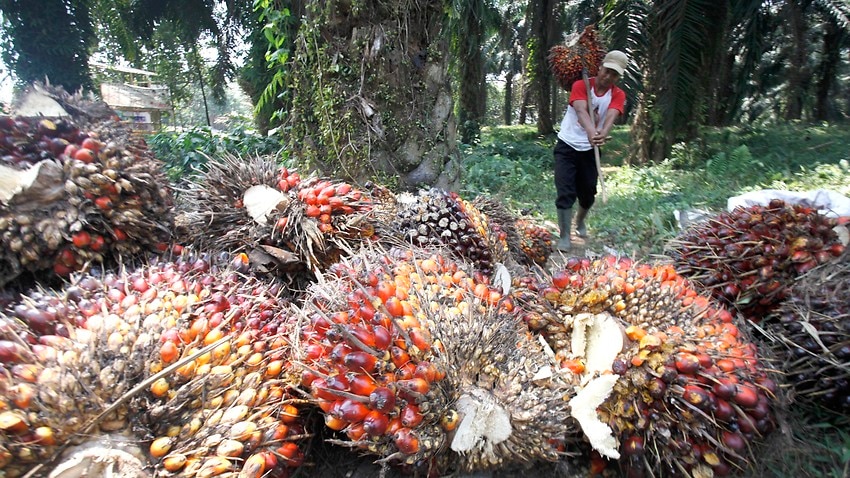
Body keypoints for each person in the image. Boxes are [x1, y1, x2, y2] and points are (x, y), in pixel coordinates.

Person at [553, 50, 628, 251]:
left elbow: (611, 116)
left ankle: (580, 221)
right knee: (565, 191)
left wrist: (601, 133)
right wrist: (590, 131)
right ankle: (565, 236)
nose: (608, 77)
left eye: (614, 74)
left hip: (589, 150)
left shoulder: (618, 95)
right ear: (600, 67)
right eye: (606, 71)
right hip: (567, 146)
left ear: (618, 77)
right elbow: (580, 111)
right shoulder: (581, 85)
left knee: (587, 194)